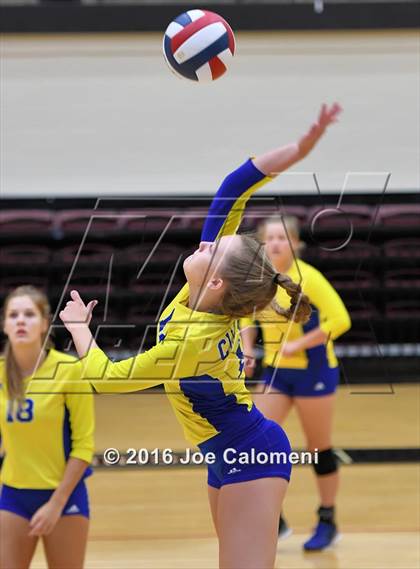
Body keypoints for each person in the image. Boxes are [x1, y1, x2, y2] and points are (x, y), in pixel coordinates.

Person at [60, 103, 341, 569]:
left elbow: (106, 379)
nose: (206, 242)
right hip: (228, 453)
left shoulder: (192, 341)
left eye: (213, 247)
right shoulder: (209, 289)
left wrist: (78, 331)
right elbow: (235, 187)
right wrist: (301, 148)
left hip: (251, 454)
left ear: (215, 280)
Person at [241, 210, 351, 551]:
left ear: (296, 244)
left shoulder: (309, 278)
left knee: (318, 447)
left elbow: (340, 320)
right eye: (268, 238)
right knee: (255, 441)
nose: (274, 243)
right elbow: (245, 314)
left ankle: (328, 518)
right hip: (276, 371)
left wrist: (300, 344)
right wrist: (246, 349)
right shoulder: (258, 277)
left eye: (281, 238)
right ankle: (275, 520)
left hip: (314, 371)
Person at [0, 286, 95, 569]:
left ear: (44, 324)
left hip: (65, 498)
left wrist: (56, 503)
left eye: (29, 314)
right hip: (14, 495)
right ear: (4, 324)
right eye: (13, 315)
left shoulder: (69, 371)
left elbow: (84, 447)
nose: (20, 320)